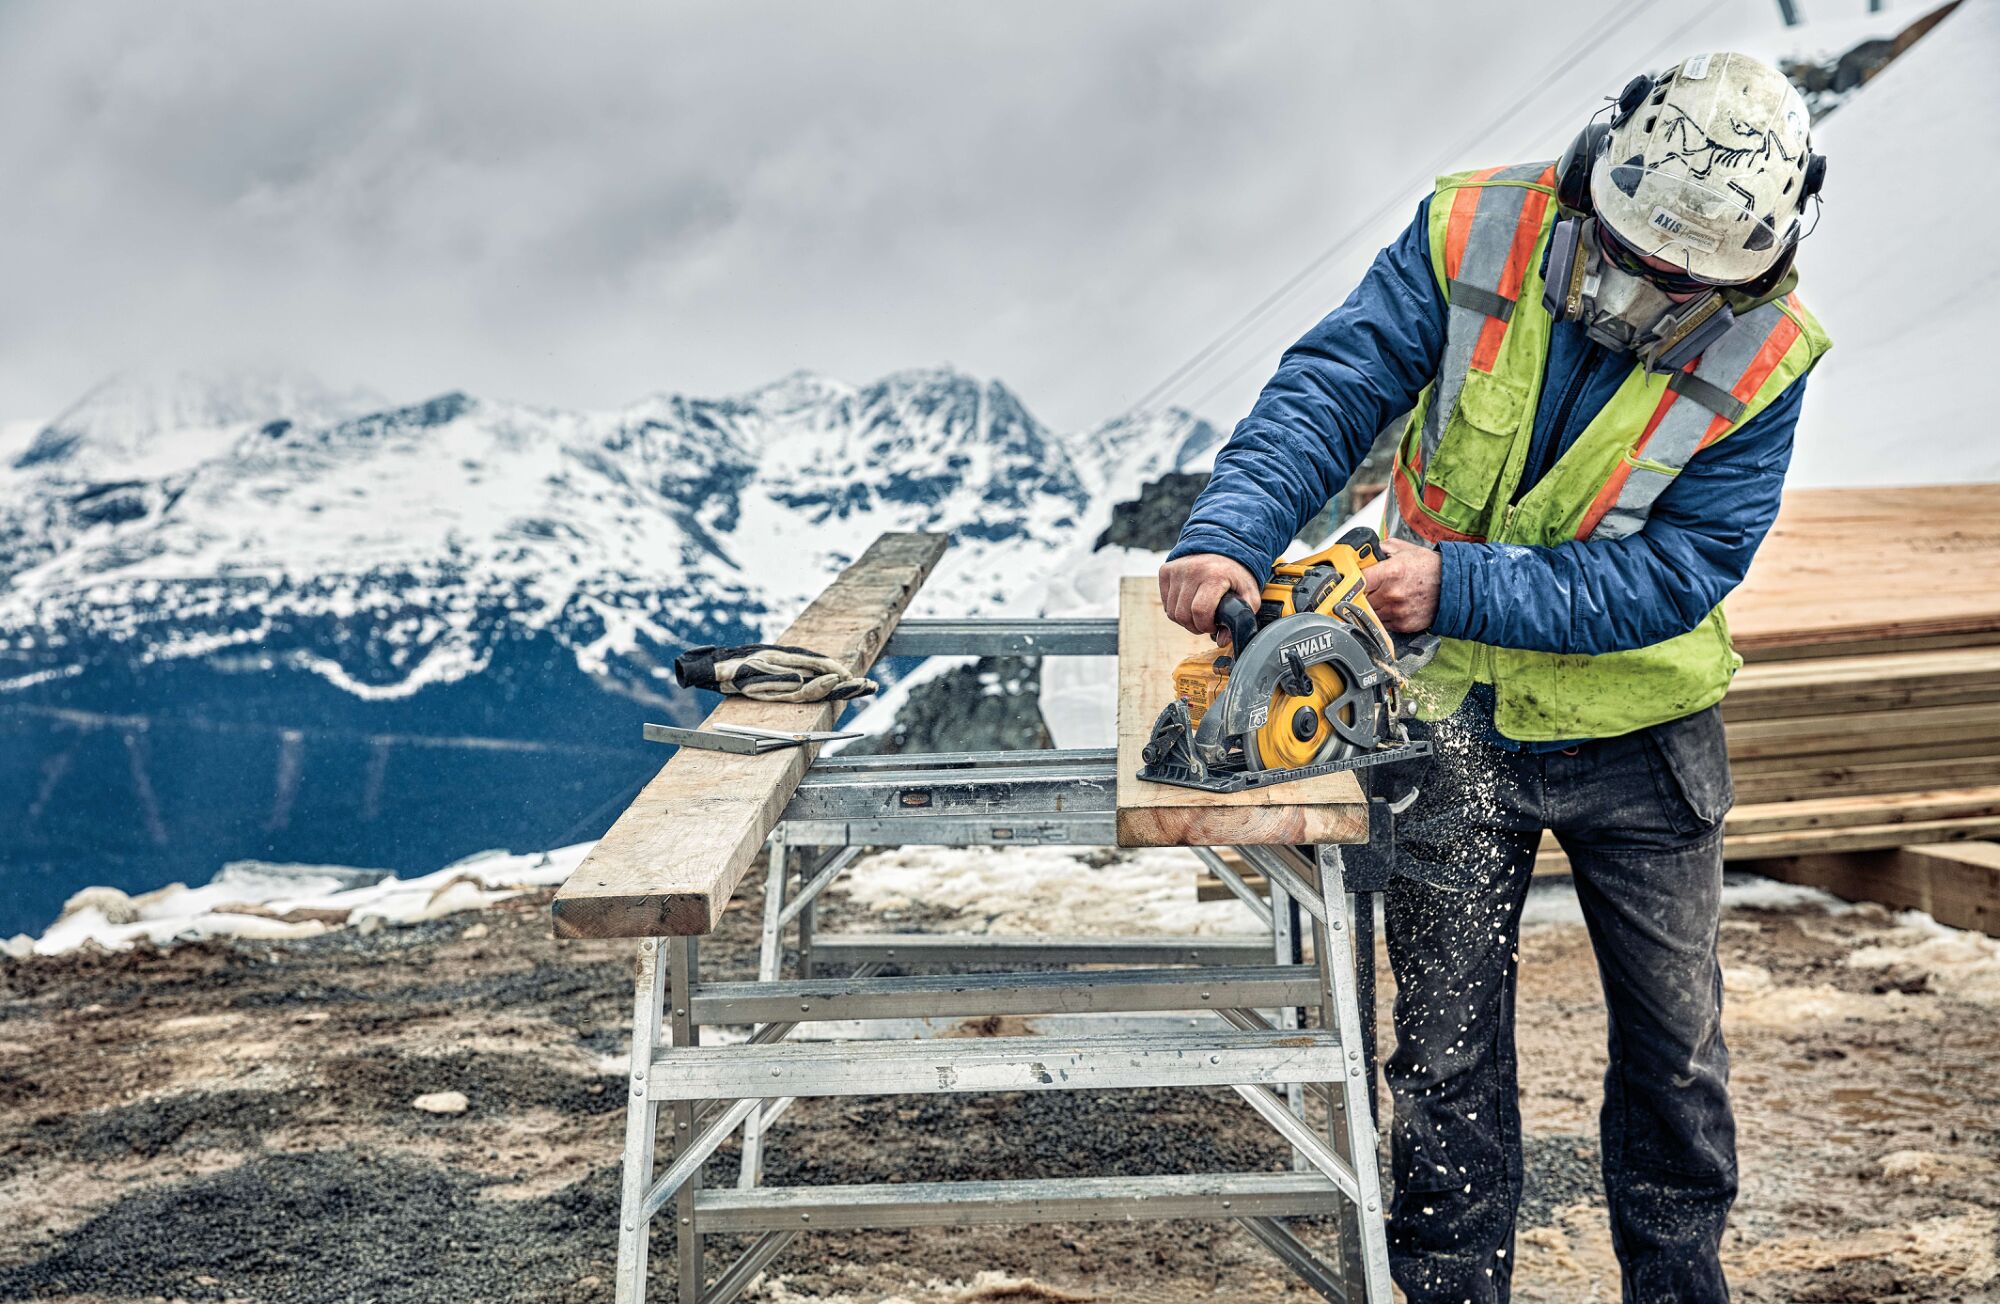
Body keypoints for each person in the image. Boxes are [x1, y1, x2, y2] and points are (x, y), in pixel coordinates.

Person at [1158, 53, 1830, 1303]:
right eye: (1635, 256)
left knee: (1674, 1054)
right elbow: (1336, 381)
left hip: (1640, 729)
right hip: (1446, 716)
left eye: (1685, 281)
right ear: (1588, 180)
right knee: (1445, 1049)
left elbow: (1678, 569)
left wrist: (1452, 583)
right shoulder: (1474, 230)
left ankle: (1677, 1286)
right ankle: (1451, 1288)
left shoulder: (1768, 353)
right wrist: (1228, 530)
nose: (1650, 290)